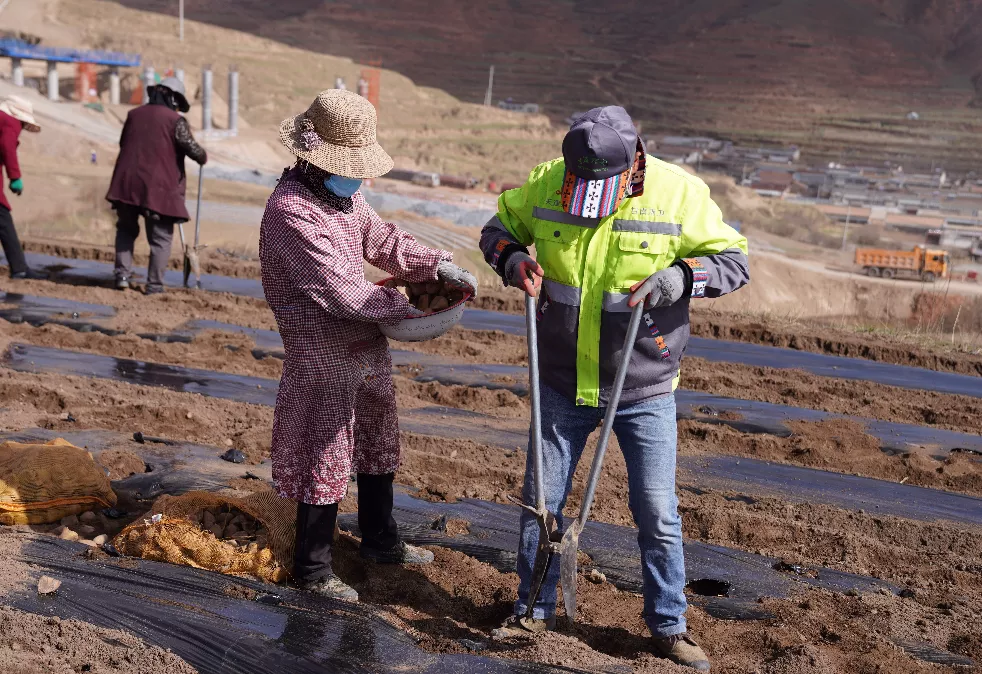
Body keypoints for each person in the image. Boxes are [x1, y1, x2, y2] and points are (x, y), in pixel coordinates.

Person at [479, 106, 749, 671]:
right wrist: (514, 259)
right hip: (559, 379)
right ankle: (534, 613)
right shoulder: (549, 181)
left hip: (644, 383)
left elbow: (732, 260)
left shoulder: (679, 195)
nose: (585, 193)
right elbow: (498, 230)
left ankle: (669, 627)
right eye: (580, 185)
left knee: (656, 510)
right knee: (540, 504)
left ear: (632, 166)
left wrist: (679, 279)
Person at [259, 89, 477, 601]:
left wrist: (433, 264)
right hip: (321, 349)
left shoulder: (344, 198)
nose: (361, 178)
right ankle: (312, 570)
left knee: (377, 439)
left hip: (365, 344)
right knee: (324, 450)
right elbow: (343, 290)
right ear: (316, 159)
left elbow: (380, 239)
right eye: (352, 166)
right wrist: (411, 311)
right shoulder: (292, 211)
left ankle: (381, 540)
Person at [106, 77, 207, 294]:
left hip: (126, 184)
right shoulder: (175, 121)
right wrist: (202, 156)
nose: (177, 107)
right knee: (161, 238)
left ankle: (122, 276)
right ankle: (154, 285)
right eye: (177, 102)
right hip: (157, 189)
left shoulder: (134, 115)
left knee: (125, 229)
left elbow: (124, 143)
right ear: (171, 97)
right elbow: (192, 149)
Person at [0, 95, 44, 280]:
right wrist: (15, 177)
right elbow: (7, 147)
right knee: (4, 223)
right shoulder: (9, 122)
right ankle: (19, 269)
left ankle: (19, 267)